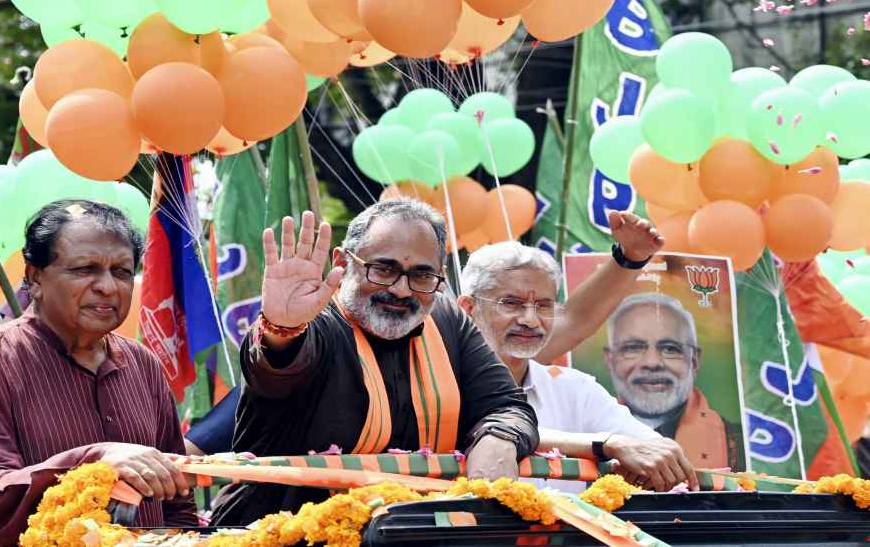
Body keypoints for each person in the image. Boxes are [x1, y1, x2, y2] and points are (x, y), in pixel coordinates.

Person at [211, 200, 538, 525]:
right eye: (384, 269)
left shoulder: (446, 320)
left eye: (422, 276)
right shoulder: (315, 323)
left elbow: (507, 406)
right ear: (342, 262)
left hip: (415, 533)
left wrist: (499, 436)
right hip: (279, 533)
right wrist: (282, 327)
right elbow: (276, 367)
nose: (400, 289)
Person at [0, 200, 196, 547]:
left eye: (122, 271)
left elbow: (178, 502)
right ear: (34, 279)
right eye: (85, 269)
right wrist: (94, 460)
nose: (108, 287)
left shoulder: (143, 364)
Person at [458, 212, 697, 493]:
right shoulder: (442, 387)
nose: (530, 320)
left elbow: (650, 448)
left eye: (544, 305)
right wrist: (607, 446)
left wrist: (659, 454)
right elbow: (497, 427)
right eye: (511, 303)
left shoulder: (574, 388)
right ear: (468, 308)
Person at [604, 292, 744, 470]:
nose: (651, 363)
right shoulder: (586, 437)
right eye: (633, 348)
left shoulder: (737, 443)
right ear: (609, 359)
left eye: (670, 349)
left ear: (694, 361)